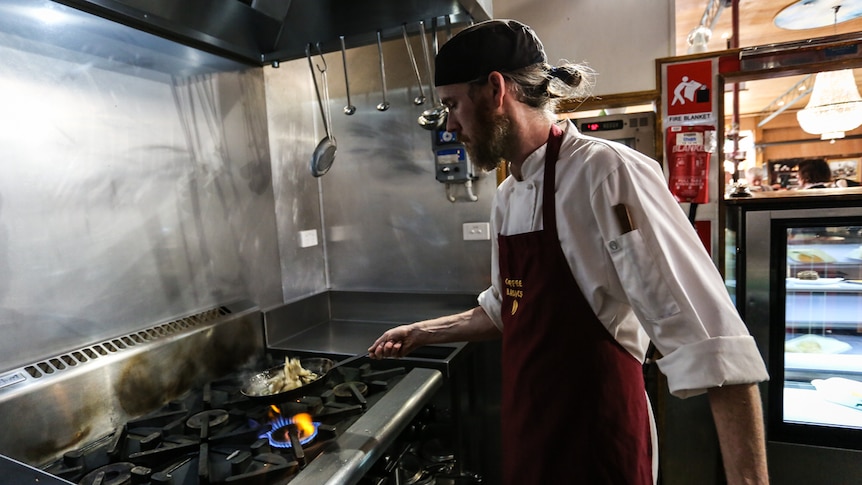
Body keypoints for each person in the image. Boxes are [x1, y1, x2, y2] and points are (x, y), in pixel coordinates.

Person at [368, 19, 769, 485]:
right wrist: (421, 332)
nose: (450, 124)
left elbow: (716, 347)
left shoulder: (606, 173)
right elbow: (507, 310)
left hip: (599, 445)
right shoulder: (507, 196)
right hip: (531, 437)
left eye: (453, 105)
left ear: (496, 90)